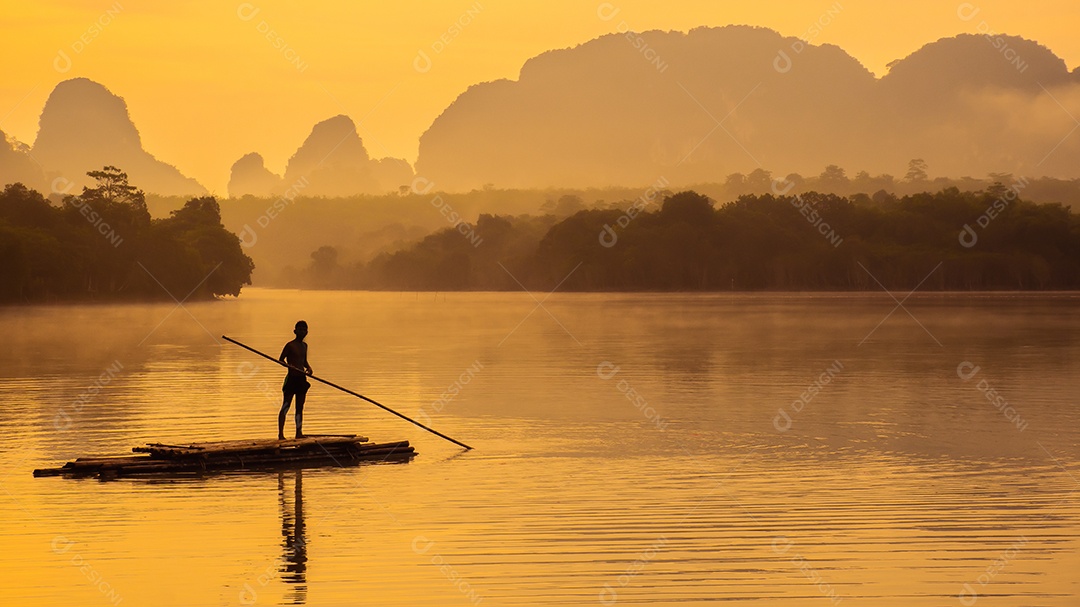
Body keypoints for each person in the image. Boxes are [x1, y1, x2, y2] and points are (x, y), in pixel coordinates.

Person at [279, 320, 313, 440]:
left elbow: (303, 361)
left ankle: (299, 433)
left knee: (300, 407)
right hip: (292, 378)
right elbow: (281, 359)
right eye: (300, 329)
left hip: (301, 379)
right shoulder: (290, 345)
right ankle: (281, 434)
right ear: (295, 331)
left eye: (304, 330)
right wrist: (289, 366)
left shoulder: (304, 346)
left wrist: (308, 368)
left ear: (307, 332)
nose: (302, 331)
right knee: (286, 406)